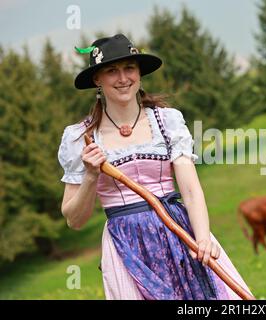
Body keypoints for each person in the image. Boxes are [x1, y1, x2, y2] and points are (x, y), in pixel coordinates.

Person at [58, 34, 251, 300]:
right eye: (112, 71)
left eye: (129, 68)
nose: (123, 78)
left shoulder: (167, 121)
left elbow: (191, 189)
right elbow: (75, 220)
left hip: (179, 229)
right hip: (126, 243)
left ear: (139, 73)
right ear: (97, 80)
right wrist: (91, 175)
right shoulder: (80, 137)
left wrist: (203, 237)